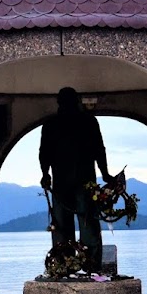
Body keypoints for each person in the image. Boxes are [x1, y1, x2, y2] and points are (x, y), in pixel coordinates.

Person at [39, 87, 113, 271]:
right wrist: (45, 173)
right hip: (66, 182)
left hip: (82, 182)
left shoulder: (86, 122)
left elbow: (99, 149)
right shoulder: (56, 124)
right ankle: (68, 265)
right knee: (66, 225)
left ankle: (89, 266)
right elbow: (44, 153)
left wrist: (104, 173)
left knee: (85, 223)